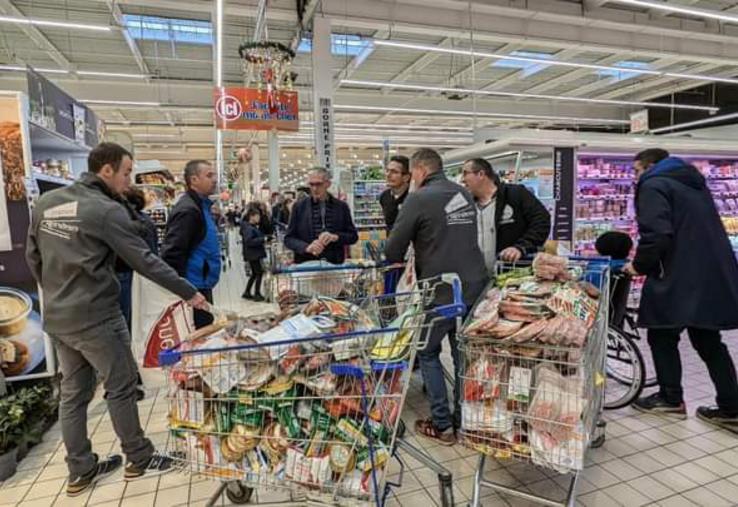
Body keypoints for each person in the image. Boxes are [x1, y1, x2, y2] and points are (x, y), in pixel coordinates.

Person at [25, 142, 208, 497]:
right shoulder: (105, 210)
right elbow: (145, 260)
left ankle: (81, 470)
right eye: (126, 172)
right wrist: (188, 291)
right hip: (97, 316)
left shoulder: (47, 203)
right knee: (120, 386)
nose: (129, 181)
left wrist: (58, 289)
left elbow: (34, 258)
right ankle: (138, 457)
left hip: (59, 317)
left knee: (73, 395)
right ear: (105, 170)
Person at [623, 148, 738, 430]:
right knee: (709, 341)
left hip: (676, 274)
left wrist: (640, 266)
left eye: (636, 171)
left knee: (662, 335)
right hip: (709, 274)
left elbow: (657, 233)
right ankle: (732, 408)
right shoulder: (693, 184)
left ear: (649, 166)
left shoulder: (653, 184)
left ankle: (670, 398)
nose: (635, 178)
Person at [385, 148, 489, 445]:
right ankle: (466, 421)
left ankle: (443, 425)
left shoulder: (418, 198)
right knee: (461, 354)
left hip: (440, 289)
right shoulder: (464, 194)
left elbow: (392, 250)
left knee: (428, 351)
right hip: (474, 285)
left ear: (419, 171)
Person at [461, 158, 551, 274]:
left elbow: (542, 221)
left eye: (465, 173)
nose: (462, 180)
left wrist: (521, 247)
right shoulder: (467, 205)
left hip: (510, 275)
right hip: (476, 278)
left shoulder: (515, 195)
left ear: (481, 174)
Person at [161, 160, 221, 329]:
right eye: (209, 175)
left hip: (201, 285)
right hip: (193, 290)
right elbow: (172, 254)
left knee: (205, 332)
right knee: (198, 337)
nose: (214, 179)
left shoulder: (200, 206)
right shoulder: (188, 210)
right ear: (194, 180)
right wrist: (184, 291)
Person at [285, 168, 358, 264]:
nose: (314, 189)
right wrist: (306, 247)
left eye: (318, 184)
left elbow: (353, 236)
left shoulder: (341, 206)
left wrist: (336, 237)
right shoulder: (299, 207)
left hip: (334, 265)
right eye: (311, 184)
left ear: (328, 184)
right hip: (305, 266)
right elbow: (289, 239)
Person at [379, 155, 411, 232]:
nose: (388, 175)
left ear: (406, 177)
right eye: (387, 171)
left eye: (394, 172)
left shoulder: (414, 198)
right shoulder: (384, 196)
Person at [240, 208, 267, 301]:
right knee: (259, 273)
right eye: (257, 216)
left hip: (252, 254)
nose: (259, 218)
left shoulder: (250, 226)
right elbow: (249, 241)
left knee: (255, 273)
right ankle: (257, 293)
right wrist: (263, 239)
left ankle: (247, 292)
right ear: (252, 216)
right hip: (253, 254)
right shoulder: (249, 228)